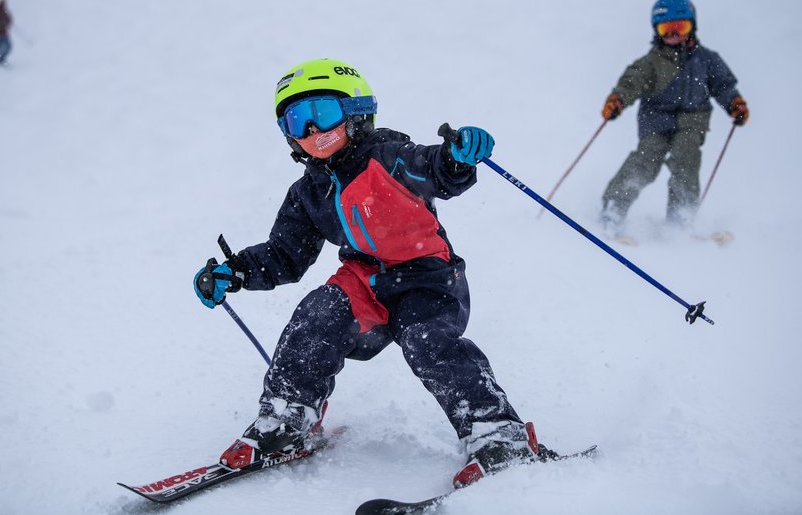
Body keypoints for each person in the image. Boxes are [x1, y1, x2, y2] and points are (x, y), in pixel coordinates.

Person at [194, 58, 550, 486]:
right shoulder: (309, 191)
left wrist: (457, 156)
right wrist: (234, 272)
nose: (312, 131)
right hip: (366, 282)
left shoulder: (389, 156)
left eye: (322, 114)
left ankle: (497, 433)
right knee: (318, 313)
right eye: (296, 121)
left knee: (427, 340)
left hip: (427, 277)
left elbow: (434, 168)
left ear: (357, 110)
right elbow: (285, 255)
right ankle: (287, 418)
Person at [600, 0, 749, 233]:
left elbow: (723, 86)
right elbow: (632, 82)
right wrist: (618, 100)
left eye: (680, 27)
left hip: (693, 120)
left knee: (686, 157)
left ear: (692, 26)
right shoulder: (651, 62)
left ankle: (681, 215)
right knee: (646, 159)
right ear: (657, 31)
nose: (673, 35)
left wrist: (735, 104)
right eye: (666, 29)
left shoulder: (707, 60)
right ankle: (615, 205)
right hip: (656, 121)